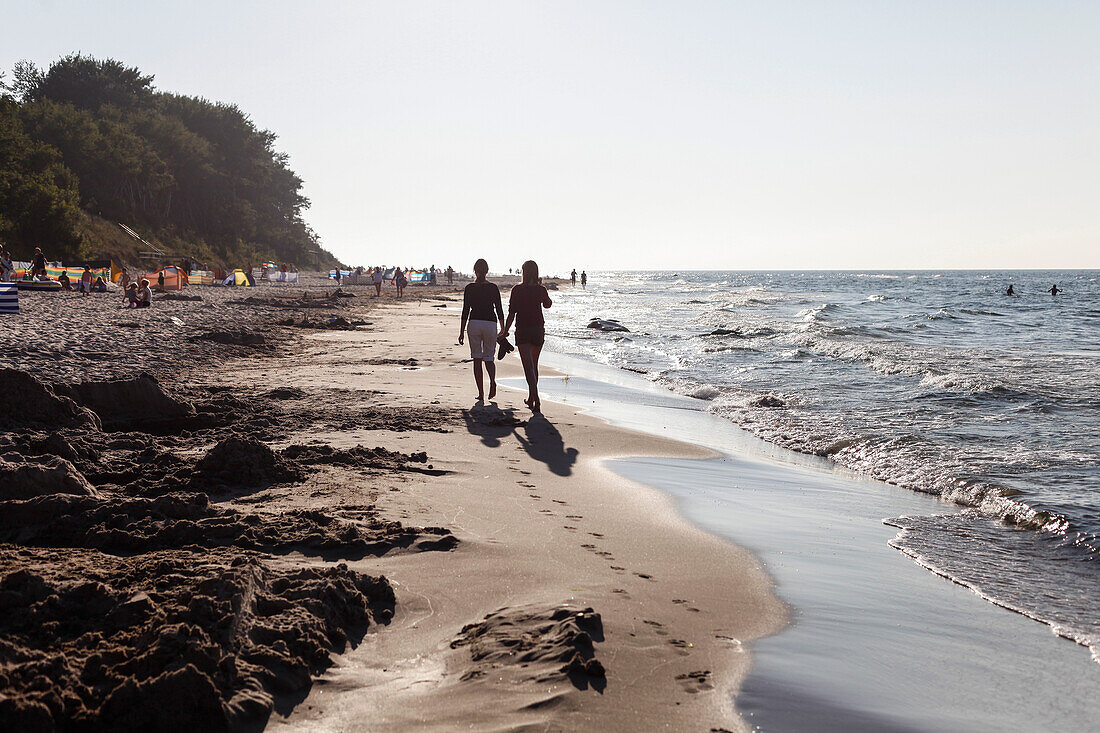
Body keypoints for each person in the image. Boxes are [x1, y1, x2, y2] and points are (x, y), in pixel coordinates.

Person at [500, 260, 552, 413]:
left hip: (523, 330)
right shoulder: (540, 289)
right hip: (537, 329)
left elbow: (512, 312)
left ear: (524, 272)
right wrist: (542, 289)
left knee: (528, 367)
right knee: (534, 365)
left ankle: (536, 399)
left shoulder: (517, 290)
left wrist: (505, 331)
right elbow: (548, 304)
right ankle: (531, 398)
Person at [458, 259, 505, 401]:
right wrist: (503, 328)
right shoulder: (493, 288)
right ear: (487, 271)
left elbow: (465, 310)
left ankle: (481, 394)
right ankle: (492, 381)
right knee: (489, 358)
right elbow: (499, 309)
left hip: (474, 323)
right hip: (490, 324)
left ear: (475, 270)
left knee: (477, 359)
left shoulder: (469, 288)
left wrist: (461, 332)